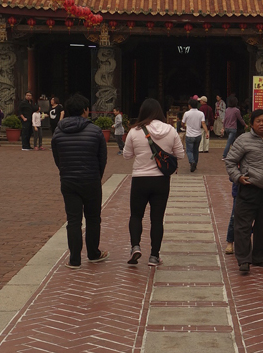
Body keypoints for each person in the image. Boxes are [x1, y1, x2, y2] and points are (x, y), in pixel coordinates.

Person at [122, 98, 185, 267]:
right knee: (157, 219)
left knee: (136, 215)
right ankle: (154, 256)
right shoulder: (171, 130)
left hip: (140, 179)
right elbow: (180, 154)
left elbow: (126, 155)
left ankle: (135, 246)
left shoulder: (135, 131)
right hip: (161, 181)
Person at [225, 108, 263, 276]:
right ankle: (244, 260)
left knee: (262, 225)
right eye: (258, 121)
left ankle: (259, 256)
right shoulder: (243, 140)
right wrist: (238, 177)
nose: (262, 124)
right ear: (251, 124)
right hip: (248, 189)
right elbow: (230, 161)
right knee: (243, 226)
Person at [51, 93, 108, 266]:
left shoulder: (58, 132)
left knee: (73, 220)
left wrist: (65, 171)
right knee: (93, 218)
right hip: (91, 179)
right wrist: (97, 176)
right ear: (85, 110)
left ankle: (74, 259)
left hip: (68, 180)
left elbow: (57, 158)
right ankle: (93, 253)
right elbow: (102, 159)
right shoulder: (95, 131)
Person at [181, 96, 207, 172]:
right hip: (198, 134)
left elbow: (182, 123)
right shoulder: (201, 113)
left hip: (189, 135)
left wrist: (185, 127)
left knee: (189, 150)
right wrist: (207, 132)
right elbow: (203, 123)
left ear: (189, 106)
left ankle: (192, 162)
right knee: (196, 150)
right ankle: (195, 163)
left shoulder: (186, 113)